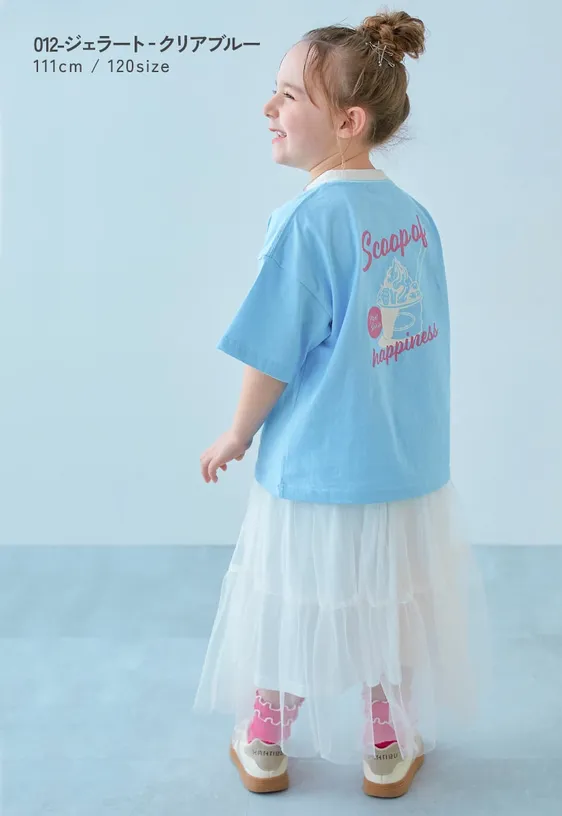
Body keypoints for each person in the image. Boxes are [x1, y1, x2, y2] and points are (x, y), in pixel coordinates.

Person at [195, 8, 490, 799]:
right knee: (387, 601)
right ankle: (387, 739)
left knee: (296, 595)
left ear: (348, 122)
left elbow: (272, 351)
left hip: (316, 466)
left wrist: (237, 432)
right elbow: (421, 340)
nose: (269, 107)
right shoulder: (415, 220)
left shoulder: (305, 220)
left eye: (289, 95)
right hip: (403, 465)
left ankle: (266, 733)